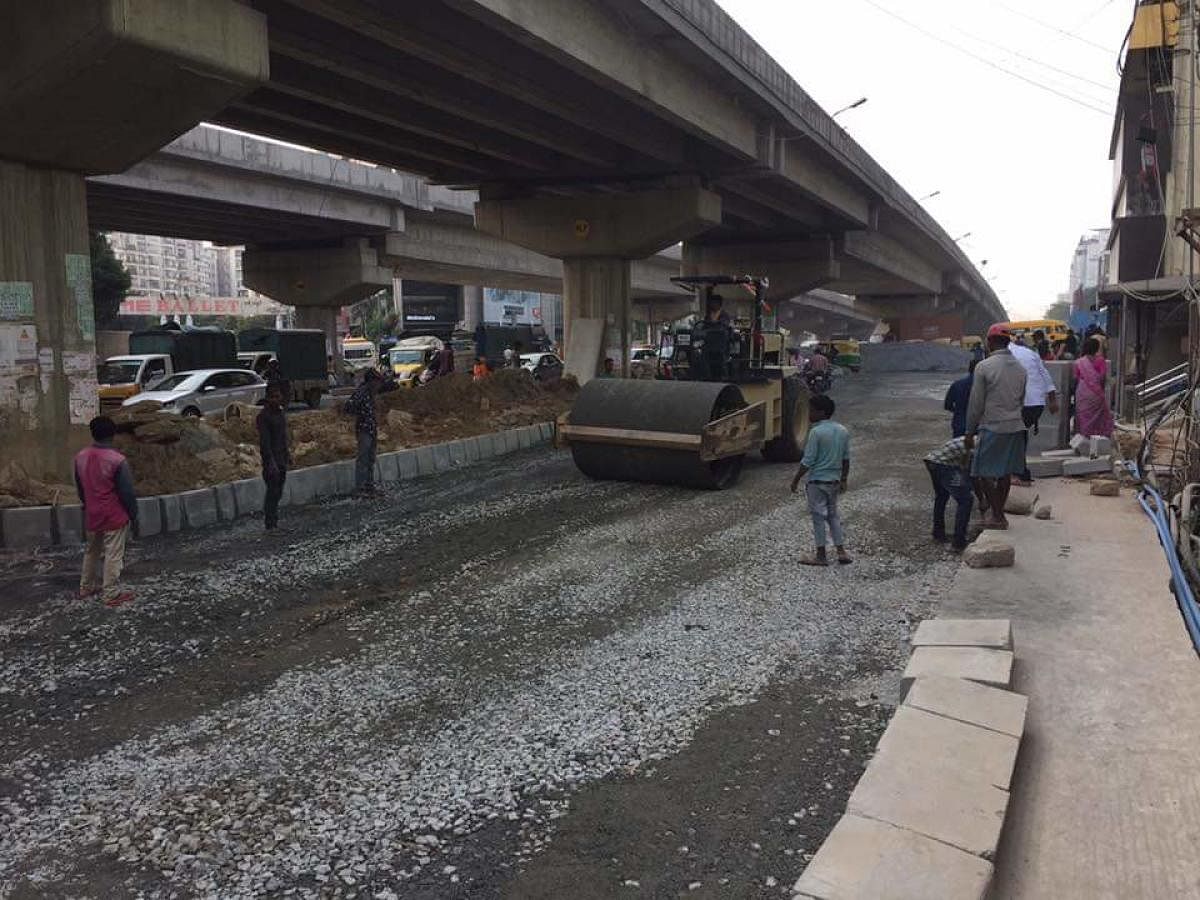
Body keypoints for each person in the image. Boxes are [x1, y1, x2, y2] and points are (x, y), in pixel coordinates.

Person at [965, 324, 1028, 530]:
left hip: (993, 426)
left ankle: (998, 516)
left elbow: (976, 404)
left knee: (982, 472)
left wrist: (969, 431)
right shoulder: (1020, 368)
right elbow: (1021, 399)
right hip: (1015, 425)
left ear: (990, 342)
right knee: (1005, 473)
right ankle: (996, 514)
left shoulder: (984, 366)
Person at [74, 416, 137, 607]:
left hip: (92, 513)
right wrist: (133, 514)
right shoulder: (117, 460)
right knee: (113, 553)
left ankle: (86, 586)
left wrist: (87, 505)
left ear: (92, 433)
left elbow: (80, 488)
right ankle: (111, 593)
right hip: (113, 514)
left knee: (91, 550)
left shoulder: (80, 457)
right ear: (113, 434)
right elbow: (126, 492)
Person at [790, 395, 852, 566]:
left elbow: (808, 460)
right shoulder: (842, 431)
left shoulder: (816, 432)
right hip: (834, 481)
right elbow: (846, 459)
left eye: (811, 410)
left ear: (821, 412)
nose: (809, 413)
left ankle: (821, 555)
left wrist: (796, 479)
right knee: (833, 516)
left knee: (818, 517)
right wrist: (844, 479)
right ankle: (841, 552)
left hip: (817, 482)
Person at [1008, 338, 1059, 483]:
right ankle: (1021, 471)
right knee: (1020, 434)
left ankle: (1016, 473)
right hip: (1037, 404)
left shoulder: (1004, 355)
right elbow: (1045, 375)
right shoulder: (1030, 353)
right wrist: (1053, 399)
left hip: (1022, 403)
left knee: (1012, 436)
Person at [924, 435, 975, 551]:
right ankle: (959, 542)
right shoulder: (982, 447)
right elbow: (973, 475)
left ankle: (938, 533)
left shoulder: (978, 439)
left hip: (933, 461)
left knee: (942, 496)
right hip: (944, 464)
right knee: (966, 500)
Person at [257, 383, 289, 531]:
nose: (278, 399)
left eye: (279, 396)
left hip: (281, 458)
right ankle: (270, 524)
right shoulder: (263, 417)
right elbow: (265, 442)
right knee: (272, 491)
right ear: (269, 398)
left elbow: (283, 437)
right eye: (275, 397)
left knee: (279, 491)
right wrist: (270, 462)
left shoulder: (280, 414)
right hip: (271, 460)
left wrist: (287, 454)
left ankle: (274, 521)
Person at [343, 369, 382, 494]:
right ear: (371, 382)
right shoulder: (361, 392)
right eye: (377, 383)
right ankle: (360, 488)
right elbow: (348, 407)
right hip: (364, 429)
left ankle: (369, 486)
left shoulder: (370, 393)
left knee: (370, 458)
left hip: (371, 428)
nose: (378, 386)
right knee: (363, 458)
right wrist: (360, 415)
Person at [1074, 337, 1114, 438]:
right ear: (1097, 348)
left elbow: (1076, 378)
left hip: (1082, 392)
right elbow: (1102, 378)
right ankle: (1097, 440)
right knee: (1098, 417)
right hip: (1096, 393)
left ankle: (1084, 438)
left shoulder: (1079, 362)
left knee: (1083, 416)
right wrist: (1100, 391)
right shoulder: (1100, 360)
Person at [943, 360, 977, 438]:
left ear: (969, 369)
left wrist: (958, 411)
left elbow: (947, 405)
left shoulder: (957, 384)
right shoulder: (986, 386)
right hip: (978, 427)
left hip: (959, 425)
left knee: (959, 449)